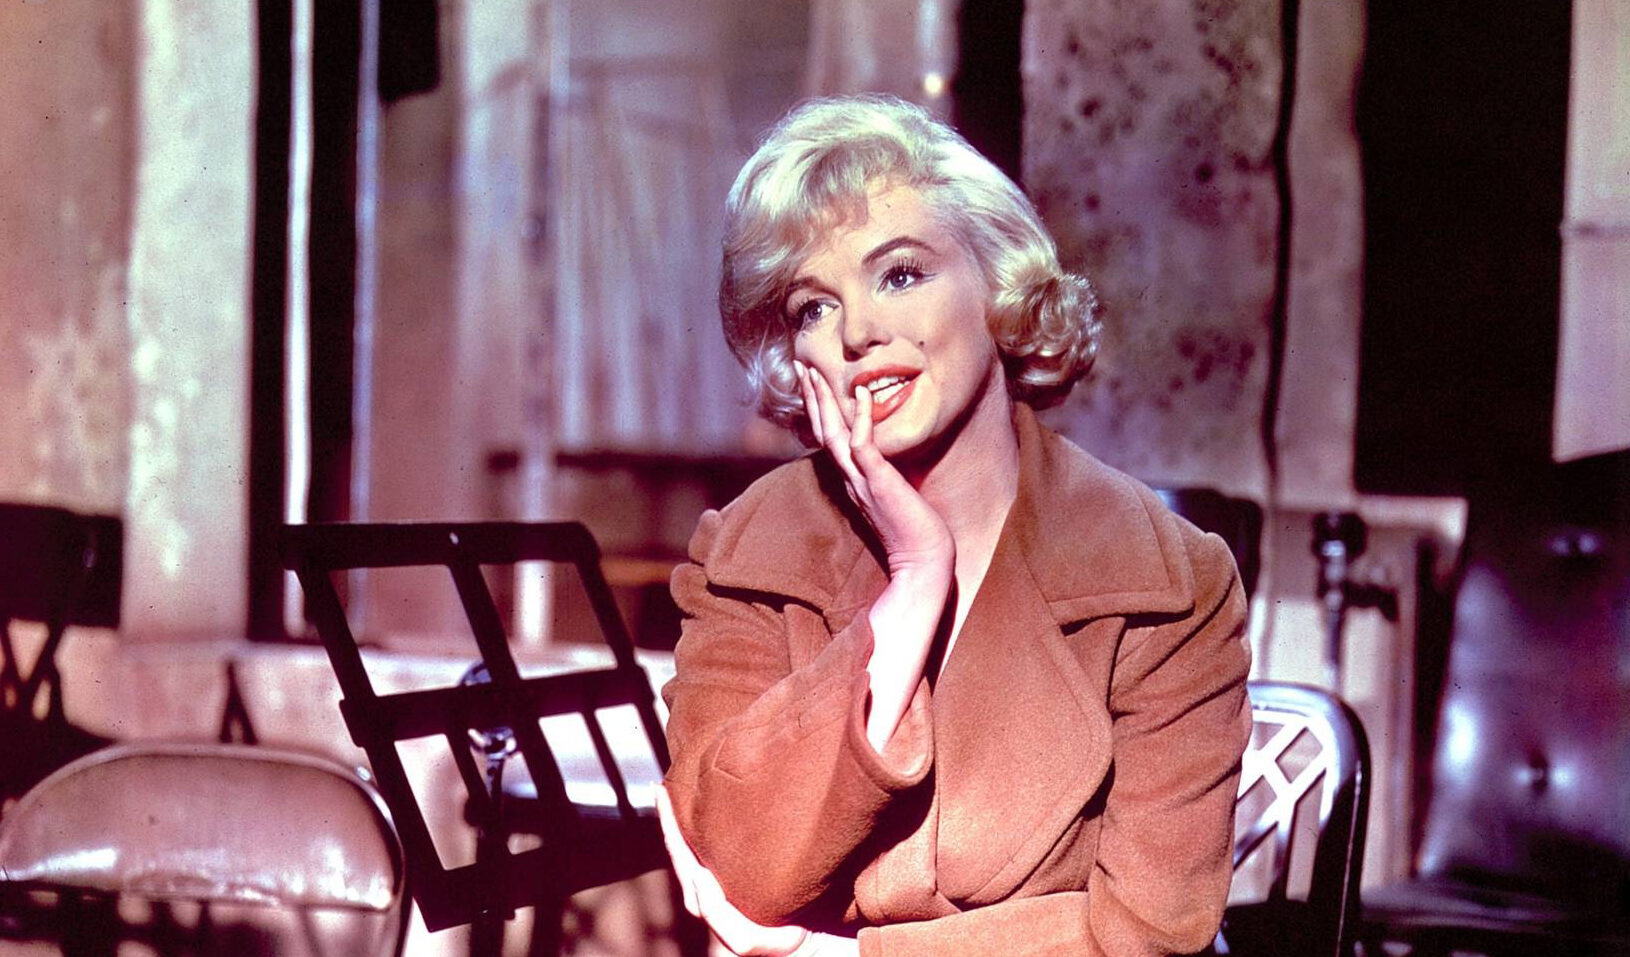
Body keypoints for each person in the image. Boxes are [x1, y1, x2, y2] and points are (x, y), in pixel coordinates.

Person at [656, 93, 1252, 957]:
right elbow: (741, 871)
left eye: (900, 274)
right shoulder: (746, 552)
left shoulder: (1171, 583)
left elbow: (1149, 935)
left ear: (997, 285)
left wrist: (837, 954)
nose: (859, 332)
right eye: (813, 307)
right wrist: (914, 582)